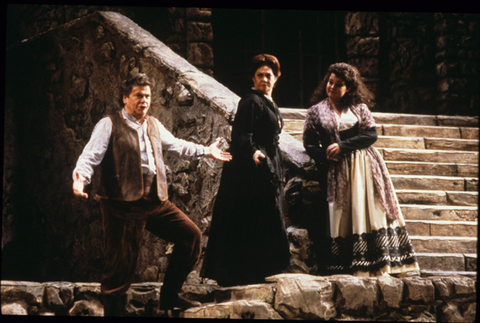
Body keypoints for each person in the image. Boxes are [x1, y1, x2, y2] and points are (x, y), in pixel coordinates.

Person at [72, 73, 232, 316]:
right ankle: (113, 313)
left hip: (154, 200)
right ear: (125, 98)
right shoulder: (109, 124)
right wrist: (80, 179)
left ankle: (170, 297)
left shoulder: (154, 124)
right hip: (120, 204)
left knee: (191, 236)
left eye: (147, 96)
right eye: (138, 95)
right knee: (119, 265)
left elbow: (178, 145)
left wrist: (206, 151)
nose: (144, 100)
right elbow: (90, 155)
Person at [303, 63, 420, 277]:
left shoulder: (358, 108)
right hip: (337, 169)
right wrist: (326, 156)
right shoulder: (315, 112)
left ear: (348, 88)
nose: (333, 87)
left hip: (363, 166)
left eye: (339, 84)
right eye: (330, 82)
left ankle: (379, 262)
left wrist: (344, 146)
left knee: (367, 210)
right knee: (343, 213)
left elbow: (371, 135)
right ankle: (347, 263)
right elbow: (309, 144)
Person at [200, 54, 290, 286]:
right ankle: (243, 274)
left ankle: (259, 270)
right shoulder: (251, 101)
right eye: (259, 75)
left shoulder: (267, 101)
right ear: (252, 77)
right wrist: (253, 153)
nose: (264, 79)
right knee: (249, 217)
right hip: (250, 170)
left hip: (266, 165)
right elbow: (240, 134)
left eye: (268, 75)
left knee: (262, 216)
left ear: (276, 77)